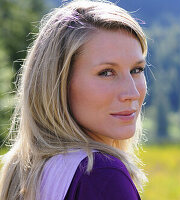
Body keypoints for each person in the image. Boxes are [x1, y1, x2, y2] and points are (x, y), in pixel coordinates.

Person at [0, 0, 148, 199]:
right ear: (58, 84)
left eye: (136, 70)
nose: (132, 92)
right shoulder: (101, 175)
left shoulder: (27, 171)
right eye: (106, 73)